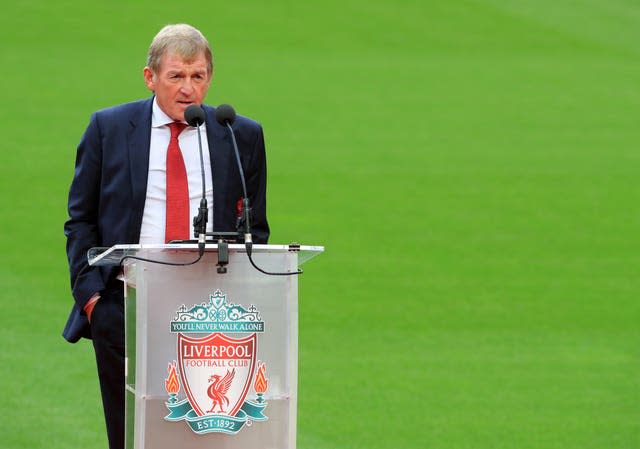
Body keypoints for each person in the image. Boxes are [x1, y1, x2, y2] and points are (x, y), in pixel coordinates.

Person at [63, 24, 269, 449]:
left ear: (210, 77)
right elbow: (80, 221)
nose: (189, 89)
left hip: (212, 314)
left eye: (198, 76)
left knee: (207, 435)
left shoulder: (239, 135)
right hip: (125, 305)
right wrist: (92, 301)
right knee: (131, 433)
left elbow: (257, 231)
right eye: (176, 76)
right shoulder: (109, 128)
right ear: (150, 77)